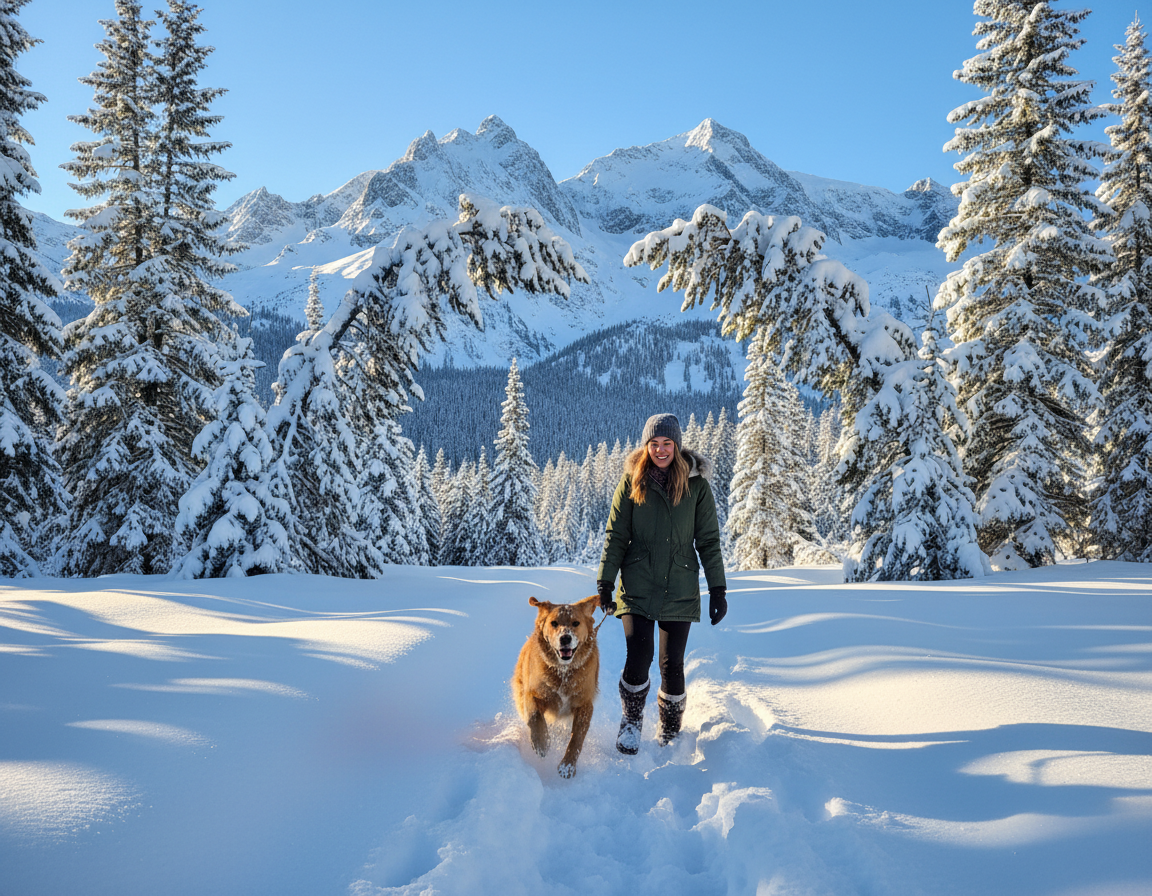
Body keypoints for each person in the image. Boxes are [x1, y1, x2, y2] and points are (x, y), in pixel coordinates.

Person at [596, 413, 726, 754]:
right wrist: (606, 582)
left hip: (680, 585)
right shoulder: (631, 481)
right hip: (637, 582)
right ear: (646, 446)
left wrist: (718, 589)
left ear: (677, 445)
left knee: (672, 664)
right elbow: (616, 535)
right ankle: (632, 721)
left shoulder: (696, 486)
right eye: (654, 443)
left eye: (667, 443)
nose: (661, 450)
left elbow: (709, 540)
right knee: (639, 654)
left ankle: (669, 730)